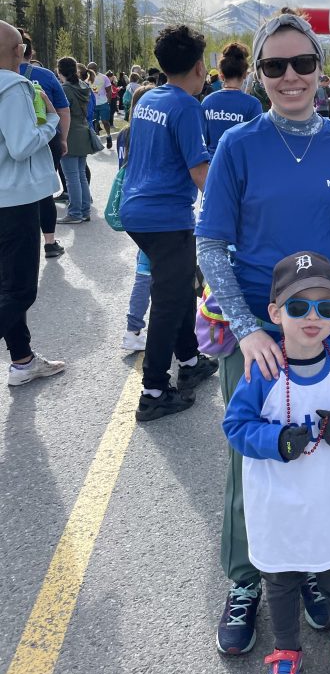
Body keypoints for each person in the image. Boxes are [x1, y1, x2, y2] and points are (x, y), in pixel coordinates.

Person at [196, 9, 330, 661]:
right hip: (261, 337)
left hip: (326, 334)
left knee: (321, 457)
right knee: (256, 460)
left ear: (320, 70)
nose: (291, 76)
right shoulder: (240, 147)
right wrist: (246, 332)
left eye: (303, 63)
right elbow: (211, 245)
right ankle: (249, 580)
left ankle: (314, 571)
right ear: (260, 75)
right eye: (275, 66)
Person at [223, 251, 330, 674]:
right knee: (282, 582)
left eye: (327, 308)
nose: (313, 317)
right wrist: (275, 441)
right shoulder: (262, 370)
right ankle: (286, 651)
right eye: (298, 307)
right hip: (278, 504)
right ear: (275, 313)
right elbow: (235, 426)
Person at [120, 24, 218, 422]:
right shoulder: (186, 106)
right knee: (167, 300)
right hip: (166, 217)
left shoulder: (148, 99)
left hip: (137, 211)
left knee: (177, 289)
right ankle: (154, 390)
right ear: (199, 67)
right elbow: (200, 172)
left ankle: (190, 360)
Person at [0, 21, 66, 386]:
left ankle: (22, 360)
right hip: (15, 199)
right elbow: (22, 145)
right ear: (17, 52)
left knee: (6, 285)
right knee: (21, 290)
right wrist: (51, 121)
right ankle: (23, 361)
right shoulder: (13, 86)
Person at [19, 32, 69, 258]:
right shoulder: (45, 75)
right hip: (47, 140)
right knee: (45, 192)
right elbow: (63, 110)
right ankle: (49, 242)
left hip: (14, 139)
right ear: (30, 52)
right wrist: (63, 138)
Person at [116, 84, 157, 352]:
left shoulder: (125, 134)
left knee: (148, 268)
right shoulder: (148, 135)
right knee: (145, 271)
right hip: (150, 210)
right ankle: (133, 329)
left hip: (131, 206)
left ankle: (139, 327)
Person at [201, 43, 262, 155]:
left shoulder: (207, 101)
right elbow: (255, 143)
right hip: (239, 166)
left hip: (212, 166)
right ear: (245, 74)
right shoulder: (253, 104)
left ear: (221, 75)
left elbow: (202, 141)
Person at [56, 57, 95, 225]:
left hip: (70, 134)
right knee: (80, 176)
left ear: (59, 71)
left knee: (71, 177)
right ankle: (85, 210)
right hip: (83, 132)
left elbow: (62, 112)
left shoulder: (64, 89)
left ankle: (75, 212)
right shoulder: (83, 86)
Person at [86, 61, 113, 149]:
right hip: (92, 104)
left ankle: (109, 136)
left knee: (105, 121)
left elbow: (109, 89)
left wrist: (108, 100)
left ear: (95, 69)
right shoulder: (86, 78)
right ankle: (96, 140)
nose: (89, 71)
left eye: (91, 69)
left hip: (103, 103)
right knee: (94, 122)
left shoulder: (104, 77)